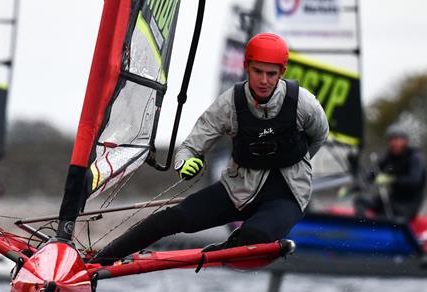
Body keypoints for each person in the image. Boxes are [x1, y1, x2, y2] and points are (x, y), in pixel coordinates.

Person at [93, 33, 329, 261]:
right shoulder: (229, 104)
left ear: (282, 73)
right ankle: (100, 261)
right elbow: (190, 146)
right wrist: (185, 162)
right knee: (168, 219)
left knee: (255, 236)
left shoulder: (302, 103)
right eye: (258, 71)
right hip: (237, 190)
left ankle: (220, 251)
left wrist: (297, 166)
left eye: (271, 73)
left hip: (286, 196)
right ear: (247, 67)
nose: (264, 80)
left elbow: (320, 135)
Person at [353, 124, 427, 221]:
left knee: (383, 217)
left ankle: (376, 227)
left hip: (407, 206)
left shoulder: (415, 157)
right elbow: (374, 172)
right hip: (392, 201)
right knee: (360, 201)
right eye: (391, 140)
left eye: (396, 139)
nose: (393, 143)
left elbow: (413, 180)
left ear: (405, 141)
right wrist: (358, 185)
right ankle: (361, 225)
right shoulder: (390, 156)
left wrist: (391, 179)